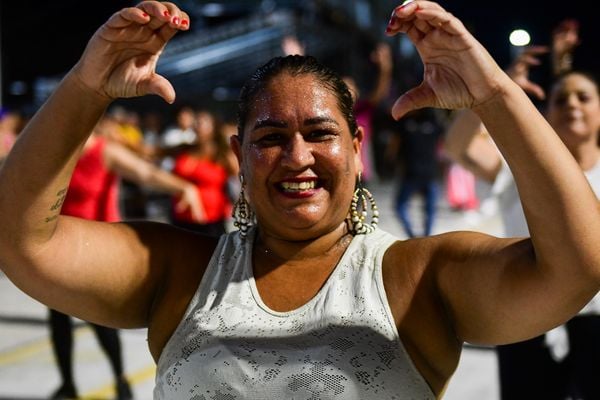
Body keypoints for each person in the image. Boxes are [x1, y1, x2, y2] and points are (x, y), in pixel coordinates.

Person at [0, 1, 599, 399]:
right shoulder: (180, 272)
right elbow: (24, 242)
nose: (297, 156)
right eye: (270, 138)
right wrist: (83, 87)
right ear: (238, 154)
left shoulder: (415, 278)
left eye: (319, 134)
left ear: (356, 147)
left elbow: (576, 267)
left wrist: (494, 92)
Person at [444, 35, 600, 400]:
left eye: (584, 97)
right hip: (525, 317)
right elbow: (459, 147)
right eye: (560, 98)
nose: (572, 105)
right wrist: (489, 93)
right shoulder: (521, 169)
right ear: (544, 113)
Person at [48, 114, 203, 400]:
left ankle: (120, 380)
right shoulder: (58, 154)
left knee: (98, 321)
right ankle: (67, 385)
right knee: (57, 319)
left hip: (96, 249)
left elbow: (145, 174)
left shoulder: (104, 151)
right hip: (61, 246)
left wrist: (183, 187)